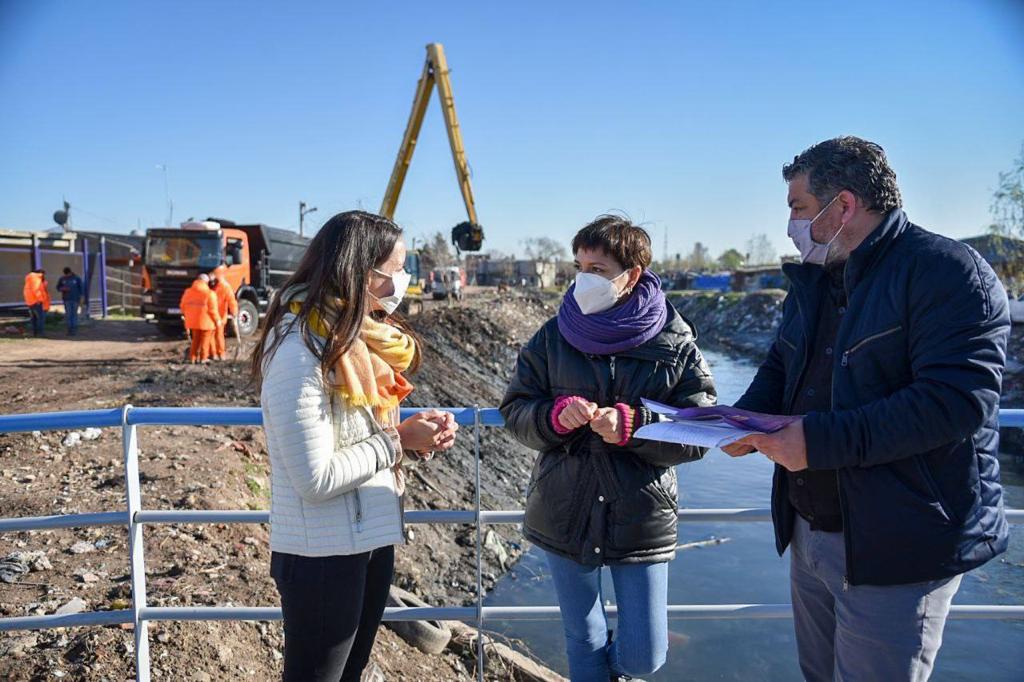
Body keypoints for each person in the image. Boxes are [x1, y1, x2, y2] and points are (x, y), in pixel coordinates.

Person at [722, 137, 1010, 682]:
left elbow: (953, 404)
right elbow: (782, 367)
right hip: (812, 533)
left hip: (899, 546)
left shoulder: (948, 273)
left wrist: (816, 442)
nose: (790, 222)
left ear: (844, 206)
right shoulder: (816, 280)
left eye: (798, 208)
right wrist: (743, 418)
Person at [501, 215, 716, 682]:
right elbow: (516, 409)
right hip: (564, 506)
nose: (583, 279)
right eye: (578, 265)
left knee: (645, 655)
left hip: (641, 513)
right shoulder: (552, 335)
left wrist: (637, 426)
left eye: (596, 268)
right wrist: (553, 418)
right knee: (584, 639)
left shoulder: (676, 340)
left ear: (632, 275)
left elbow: (702, 427)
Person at [250, 210, 458, 682]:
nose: (402, 281)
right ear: (359, 272)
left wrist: (415, 438)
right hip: (321, 558)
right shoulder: (298, 349)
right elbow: (315, 477)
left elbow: (360, 435)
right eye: (395, 269)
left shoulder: (354, 342)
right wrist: (398, 440)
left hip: (368, 542)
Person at [179, 273, 220, 364]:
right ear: (206, 282)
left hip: (193, 322)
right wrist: (217, 320)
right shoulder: (210, 294)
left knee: (195, 340)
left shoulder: (188, 292)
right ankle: (203, 358)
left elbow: (182, 306)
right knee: (205, 340)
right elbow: (212, 310)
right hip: (207, 322)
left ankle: (192, 358)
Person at [209, 264, 238, 360]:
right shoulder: (215, 285)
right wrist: (234, 312)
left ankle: (218, 354)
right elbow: (232, 301)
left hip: (218, 317)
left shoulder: (222, 287)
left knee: (216, 336)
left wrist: (234, 311)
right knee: (214, 336)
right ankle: (216, 354)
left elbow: (231, 301)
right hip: (214, 316)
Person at [22, 269, 50, 337]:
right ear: (40, 273)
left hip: (30, 302)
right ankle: (40, 333)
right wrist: (40, 300)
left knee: (34, 318)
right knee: (40, 318)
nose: (44, 276)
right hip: (37, 302)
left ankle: (35, 333)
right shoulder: (36, 278)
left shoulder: (29, 279)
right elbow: (36, 289)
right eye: (43, 274)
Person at [57, 267, 84, 336]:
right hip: (66, 299)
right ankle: (69, 330)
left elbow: (81, 288)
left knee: (74, 314)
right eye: (65, 274)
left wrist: (81, 298)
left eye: (67, 274)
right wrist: (62, 289)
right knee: (68, 315)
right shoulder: (62, 279)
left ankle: (74, 329)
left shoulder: (77, 278)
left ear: (70, 272)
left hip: (75, 299)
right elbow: (58, 287)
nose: (66, 276)